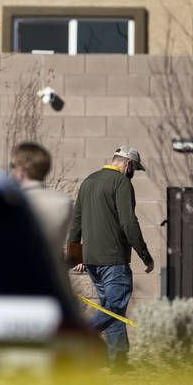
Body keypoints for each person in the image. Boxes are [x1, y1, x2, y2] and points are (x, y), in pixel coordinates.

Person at [69, 145, 154, 368]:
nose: (133, 173)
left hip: (91, 260)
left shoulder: (88, 181)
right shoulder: (122, 183)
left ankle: (120, 363)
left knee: (111, 309)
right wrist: (145, 256)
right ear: (127, 164)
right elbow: (129, 223)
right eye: (134, 168)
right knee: (115, 308)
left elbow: (76, 221)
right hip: (113, 260)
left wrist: (76, 257)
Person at [10, 142, 72, 262]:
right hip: (53, 277)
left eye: (13, 166)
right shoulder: (64, 202)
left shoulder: (11, 203)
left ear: (20, 171)